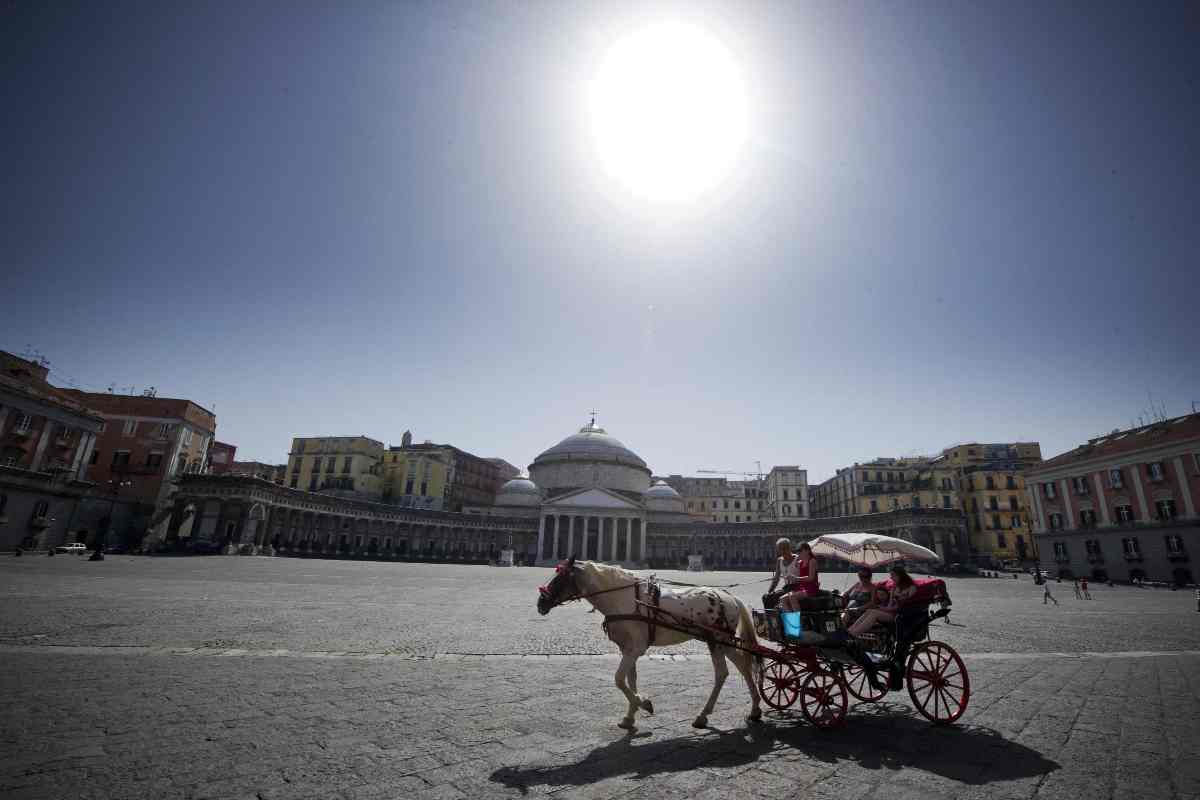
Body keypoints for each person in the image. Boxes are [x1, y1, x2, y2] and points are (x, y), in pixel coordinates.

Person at [847, 565, 916, 636]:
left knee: (874, 613)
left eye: (893, 575)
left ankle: (853, 634)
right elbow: (890, 605)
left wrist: (883, 608)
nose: (891, 577)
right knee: (870, 610)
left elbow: (904, 605)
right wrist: (881, 607)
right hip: (891, 612)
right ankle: (849, 631)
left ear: (900, 575)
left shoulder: (911, 588)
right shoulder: (894, 588)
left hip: (900, 615)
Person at [779, 543, 820, 612]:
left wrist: (796, 578)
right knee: (782, 599)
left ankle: (799, 621)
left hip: (810, 588)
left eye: (800, 550)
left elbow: (811, 578)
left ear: (807, 551)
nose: (798, 553)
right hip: (801, 587)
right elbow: (796, 575)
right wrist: (789, 577)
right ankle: (792, 620)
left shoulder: (812, 561)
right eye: (797, 551)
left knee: (792, 597)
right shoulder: (800, 563)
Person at [764, 538, 799, 608]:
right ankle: (771, 617)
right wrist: (769, 591)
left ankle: (790, 618)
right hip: (787, 588)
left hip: (797, 587)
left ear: (789, 548)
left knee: (777, 596)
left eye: (785, 548)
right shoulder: (779, 560)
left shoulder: (798, 559)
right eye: (780, 549)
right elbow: (776, 579)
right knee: (766, 597)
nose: (783, 551)